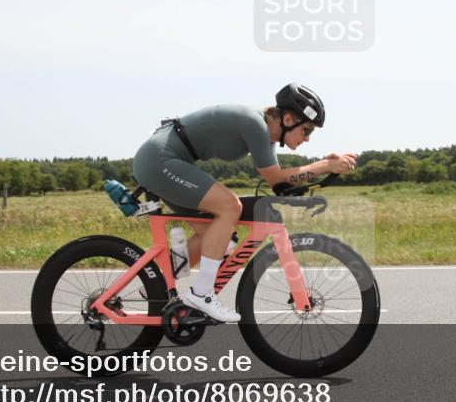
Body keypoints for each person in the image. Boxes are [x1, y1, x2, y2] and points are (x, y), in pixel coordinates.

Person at [131, 83, 357, 322]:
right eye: (307, 130)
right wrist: (324, 165)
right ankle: (202, 295)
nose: (307, 139)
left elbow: (280, 185)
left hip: (166, 160)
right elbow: (276, 178)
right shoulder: (255, 124)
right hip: (159, 160)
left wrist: (322, 171)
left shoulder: (266, 135)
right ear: (289, 118)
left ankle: (157, 284)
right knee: (230, 206)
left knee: (219, 236)